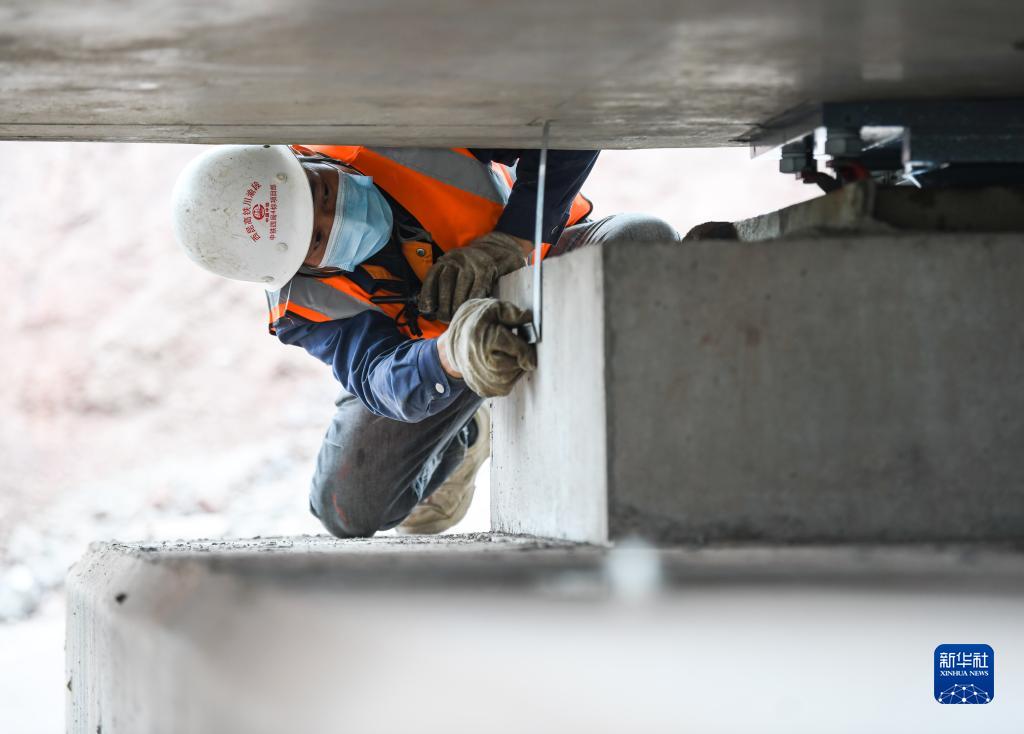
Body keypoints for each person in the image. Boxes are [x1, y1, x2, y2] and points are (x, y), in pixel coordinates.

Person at [171, 144, 678, 537]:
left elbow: (569, 128)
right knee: (349, 506)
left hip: (540, 276)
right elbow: (379, 375)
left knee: (642, 241)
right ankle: (466, 432)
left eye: (322, 192)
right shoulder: (303, 305)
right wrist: (452, 355)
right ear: (297, 266)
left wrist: (516, 236)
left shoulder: (393, 129)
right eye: (318, 239)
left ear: (304, 160)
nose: (337, 216)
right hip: (442, 364)